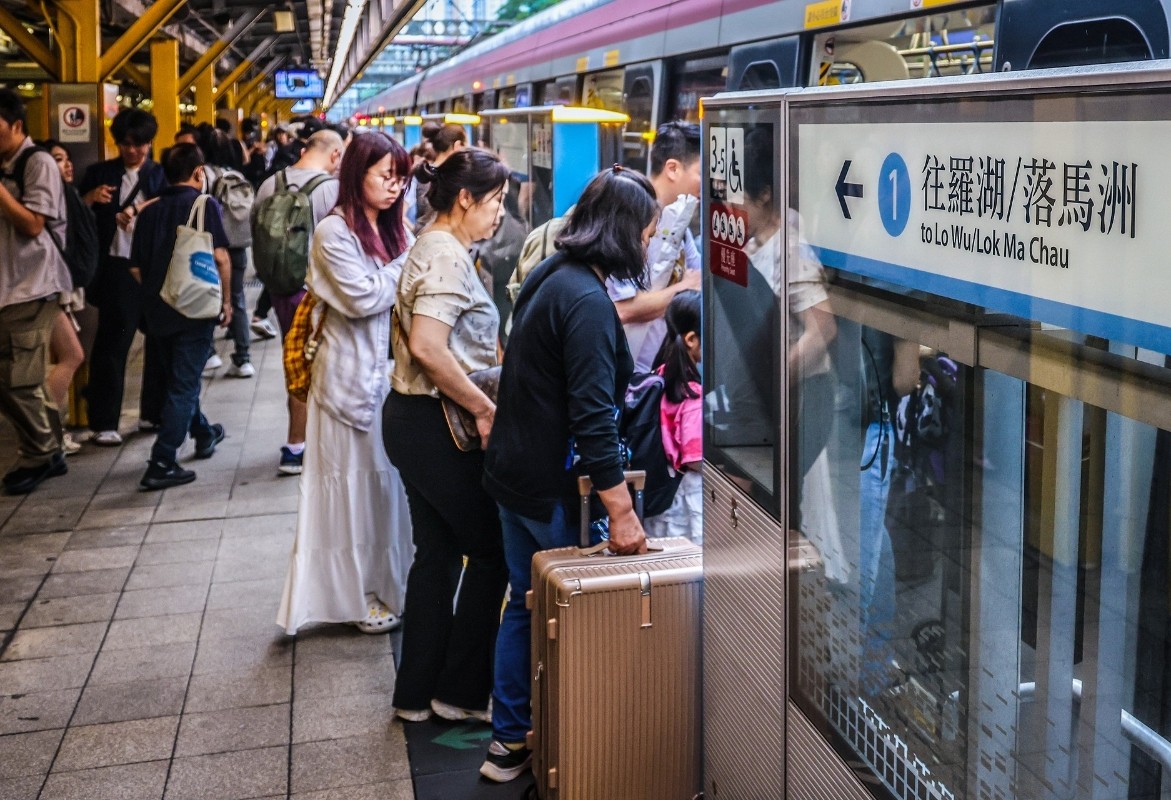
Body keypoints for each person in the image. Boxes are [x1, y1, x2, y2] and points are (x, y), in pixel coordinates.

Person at [479, 166, 655, 782]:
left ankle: (510, 741)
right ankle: (573, 748)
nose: (648, 247)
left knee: (523, 602)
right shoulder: (586, 302)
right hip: (552, 488)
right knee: (568, 615)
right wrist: (622, 513)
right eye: (646, 235)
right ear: (624, 233)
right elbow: (592, 420)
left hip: (513, 473)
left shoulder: (553, 271)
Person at [383, 148, 511, 725]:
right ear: (465, 199)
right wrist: (484, 409)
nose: (500, 212)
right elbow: (428, 348)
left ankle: (416, 692)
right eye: (495, 201)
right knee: (490, 552)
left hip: (412, 420)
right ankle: (461, 691)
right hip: (441, 427)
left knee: (435, 554)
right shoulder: (445, 255)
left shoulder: (428, 242)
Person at [276, 132, 414, 635]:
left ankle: (388, 585)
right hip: (346, 387)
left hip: (386, 384)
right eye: (386, 176)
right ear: (357, 174)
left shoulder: (394, 229)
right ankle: (354, 599)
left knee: (382, 493)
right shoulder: (333, 232)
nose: (395, 186)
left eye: (401, 178)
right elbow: (363, 297)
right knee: (348, 498)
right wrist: (408, 264)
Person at [127, 143, 231, 490]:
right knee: (184, 385)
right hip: (195, 310)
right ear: (199, 172)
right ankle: (162, 461)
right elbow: (221, 258)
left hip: (157, 311)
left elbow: (135, 268)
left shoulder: (149, 211)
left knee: (178, 379)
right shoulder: (204, 204)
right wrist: (226, 301)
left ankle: (203, 433)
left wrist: (161, 292)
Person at [253, 128, 345, 475]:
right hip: (315, 291)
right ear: (334, 155)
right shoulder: (330, 189)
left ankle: (301, 441)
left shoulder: (269, 184)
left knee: (294, 360)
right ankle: (298, 445)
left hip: (280, 289)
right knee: (319, 366)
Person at [78, 108, 166, 446]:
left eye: (139, 144)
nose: (132, 150)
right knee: (113, 344)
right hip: (117, 269)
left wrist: (138, 208)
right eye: (126, 144)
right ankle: (104, 422)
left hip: (152, 269)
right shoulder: (99, 174)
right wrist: (89, 200)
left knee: (158, 341)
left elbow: (173, 203)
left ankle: (152, 413)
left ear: (149, 143)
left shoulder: (160, 176)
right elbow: (73, 218)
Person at [0, 89, 71, 494]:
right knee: (12, 378)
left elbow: (33, 224)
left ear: (16, 125)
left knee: (19, 379)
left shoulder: (37, 162)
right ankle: (50, 448)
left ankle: (41, 453)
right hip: (8, 288)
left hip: (33, 285)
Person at [608, 121, 703, 372]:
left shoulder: (680, 227)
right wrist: (683, 287)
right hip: (625, 370)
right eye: (701, 172)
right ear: (672, 168)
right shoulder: (627, 217)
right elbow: (620, 310)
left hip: (656, 369)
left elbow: (699, 279)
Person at [39, 139, 86, 456]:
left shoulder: (65, 194)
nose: (67, 164)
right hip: (48, 289)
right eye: (58, 159)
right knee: (71, 355)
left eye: (67, 158)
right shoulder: (47, 198)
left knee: (65, 357)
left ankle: (51, 434)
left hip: (53, 287)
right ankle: (48, 435)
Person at [645, 288, 703, 544]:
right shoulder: (692, 395)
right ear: (691, 339)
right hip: (685, 496)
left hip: (661, 493)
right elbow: (694, 458)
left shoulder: (658, 375)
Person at [199, 126, 253, 377]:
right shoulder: (236, 175)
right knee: (238, 299)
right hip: (238, 245)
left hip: (212, 246)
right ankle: (243, 359)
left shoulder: (203, 175)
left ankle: (209, 353)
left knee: (209, 296)